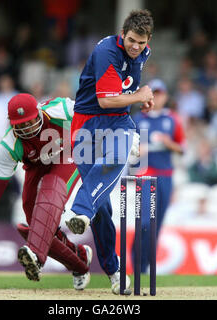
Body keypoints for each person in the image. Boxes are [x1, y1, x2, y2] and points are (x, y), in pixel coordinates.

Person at [0, 93, 93, 290]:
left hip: (67, 156)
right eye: (19, 125)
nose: (26, 129)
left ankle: (36, 256)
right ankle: (79, 260)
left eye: (29, 122)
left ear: (38, 112)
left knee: (51, 188)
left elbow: (92, 112)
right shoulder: (10, 144)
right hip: (35, 169)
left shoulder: (61, 109)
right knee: (35, 225)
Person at [64, 9, 155, 294]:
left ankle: (79, 210)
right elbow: (105, 102)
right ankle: (114, 271)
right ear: (122, 35)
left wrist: (141, 98)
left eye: (141, 42)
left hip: (119, 122)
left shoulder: (143, 52)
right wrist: (140, 96)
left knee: (118, 154)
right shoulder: (106, 51)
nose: (136, 47)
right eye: (131, 40)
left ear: (147, 39)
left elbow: (127, 87)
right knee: (102, 209)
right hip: (88, 123)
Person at [131, 78, 185, 274]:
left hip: (166, 176)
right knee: (145, 222)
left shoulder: (172, 119)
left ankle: (144, 268)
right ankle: (136, 261)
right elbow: (126, 148)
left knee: (157, 225)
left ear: (166, 97)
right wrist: (137, 149)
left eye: (160, 94)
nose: (157, 98)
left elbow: (182, 148)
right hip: (145, 175)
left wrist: (168, 143)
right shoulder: (138, 119)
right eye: (154, 93)